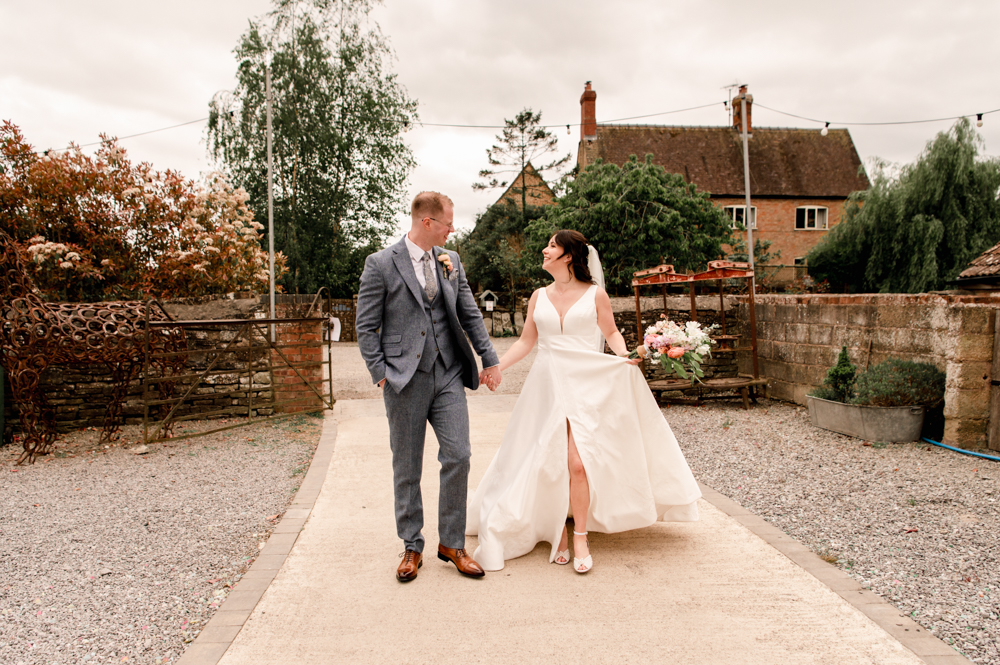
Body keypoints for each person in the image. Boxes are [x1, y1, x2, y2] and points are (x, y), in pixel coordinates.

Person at [467, 230, 701, 573]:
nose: (544, 250)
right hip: (545, 385)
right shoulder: (538, 296)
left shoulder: (595, 295)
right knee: (547, 460)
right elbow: (526, 341)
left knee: (578, 462)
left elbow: (611, 333)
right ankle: (556, 529)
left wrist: (624, 355)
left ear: (568, 256)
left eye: (551, 245)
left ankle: (580, 535)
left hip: (586, 384)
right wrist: (494, 367)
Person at [356, 191, 502, 583]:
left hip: (449, 372)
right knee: (407, 465)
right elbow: (365, 327)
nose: (452, 230)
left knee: (459, 455)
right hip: (404, 378)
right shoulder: (381, 264)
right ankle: (411, 545)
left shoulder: (450, 261)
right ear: (426, 222)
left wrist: (489, 359)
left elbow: (469, 313)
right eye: (447, 223)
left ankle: (451, 543)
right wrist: (381, 372)